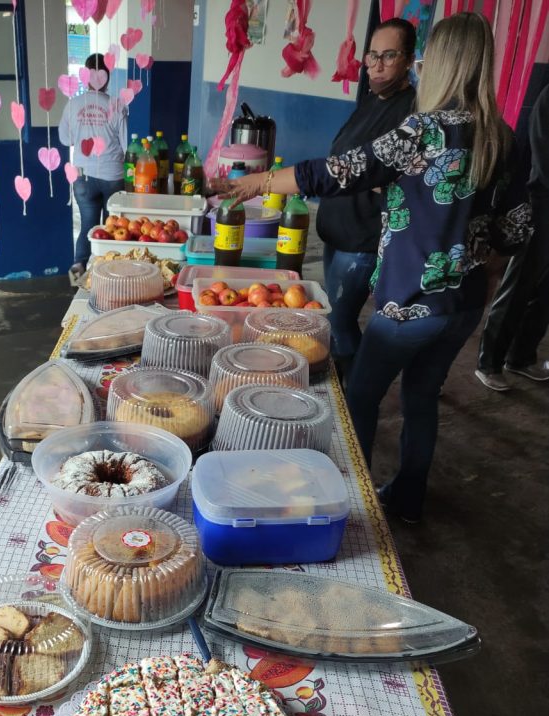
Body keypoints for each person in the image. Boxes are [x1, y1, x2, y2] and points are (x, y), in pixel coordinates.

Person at [215, 12, 531, 523]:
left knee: (359, 395)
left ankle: (348, 503)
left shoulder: (427, 130)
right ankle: (408, 499)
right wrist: (470, 245)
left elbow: (339, 172)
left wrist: (260, 183)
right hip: (465, 304)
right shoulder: (504, 137)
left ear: (439, 63)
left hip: (407, 302)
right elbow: (515, 231)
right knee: (422, 395)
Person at [318, 17, 417, 384]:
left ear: (408, 60)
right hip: (337, 233)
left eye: (388, 56)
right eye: (372, 55)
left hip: (360, 241)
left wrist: (364, 177)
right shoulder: (372, 100)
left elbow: (400, 178)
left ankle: (359, 393)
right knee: (333, 317)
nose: (376, 64)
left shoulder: (412, 112)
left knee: (339, 323)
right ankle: (354, 387)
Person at [475, 83, 549, 390]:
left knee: (547, 294)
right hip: (541, 203)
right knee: (519, 283)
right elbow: (544, 160)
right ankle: (489, 362)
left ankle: (521, 357)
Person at [59, 54, 127, 286]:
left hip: (82, 176)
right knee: (112, 230)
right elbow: (127, 145)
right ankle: (106, 278)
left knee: (88, 225)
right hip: (113, 176)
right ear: (107, 77)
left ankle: (76, 277)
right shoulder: (116, 105)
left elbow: (65, 138)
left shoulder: (73, 104)